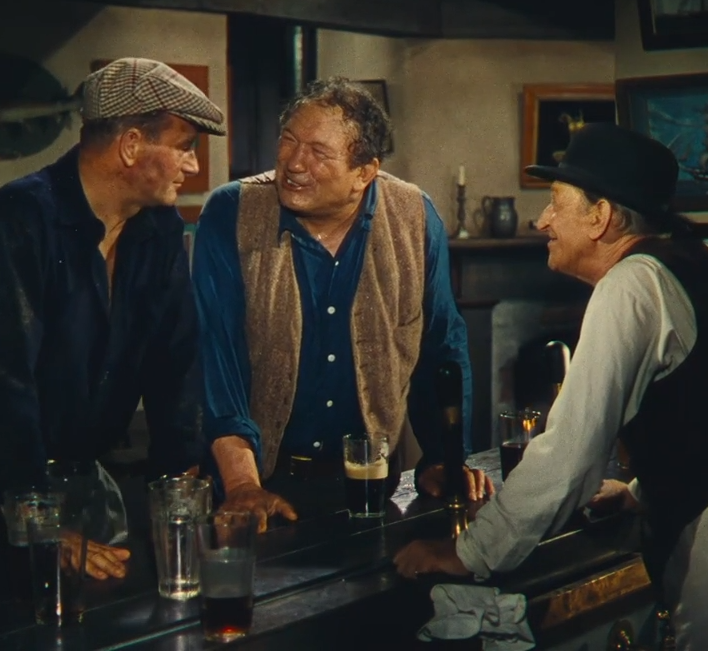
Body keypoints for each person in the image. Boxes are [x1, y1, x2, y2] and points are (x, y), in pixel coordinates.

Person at [393, 123, 708, 649]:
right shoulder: (703, 260)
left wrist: (469, 552)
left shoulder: (631, 286)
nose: (542, 220)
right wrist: (637, 493)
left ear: (601, 216)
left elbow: (570, 452)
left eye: (555, 202)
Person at [0, 58, 224, 595]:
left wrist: (181, 482)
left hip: (79, 479)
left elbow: (177, 360)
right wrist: (36, 520)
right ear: (131, 146)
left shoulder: (159, 229)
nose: (191, 164)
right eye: (184, 146)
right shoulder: (20, 219)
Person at [192, 77, 492, 531]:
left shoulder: (414, 217)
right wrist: (241, 484)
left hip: (373, 487)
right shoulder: (231, 213)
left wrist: (445, 458)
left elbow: (442, 349)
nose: (294, 163)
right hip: (260, 488)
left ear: (364, 173)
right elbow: (217, 358)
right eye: (288, 140)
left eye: (318, 152)